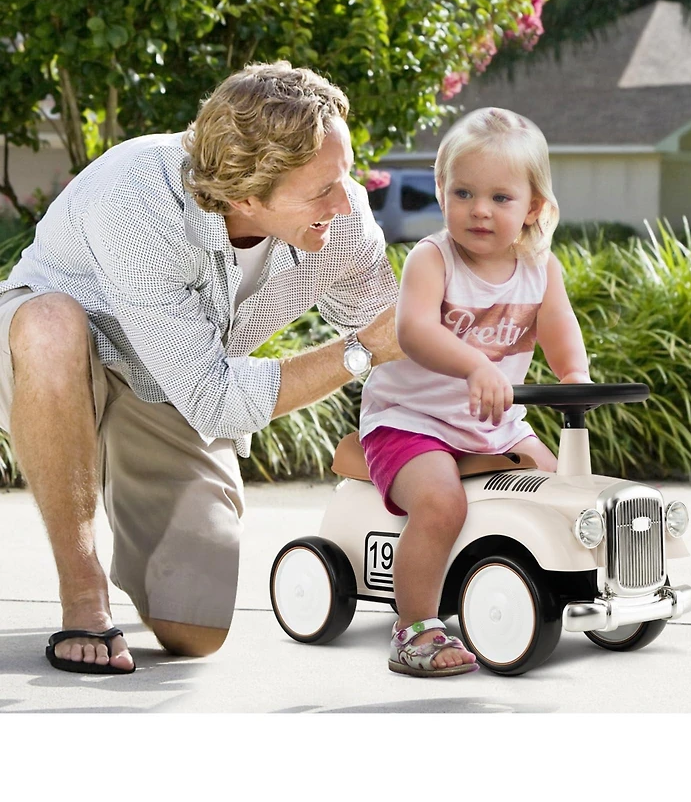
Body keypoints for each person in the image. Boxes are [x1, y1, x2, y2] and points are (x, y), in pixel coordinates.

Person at [0, 61, 400, 675]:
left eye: (343, 175)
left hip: (167, 388)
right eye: (321, 189)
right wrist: (359, 351)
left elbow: (396, 332)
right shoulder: (137, 200)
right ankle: (83, 591)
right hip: (54, 360)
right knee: (52, 325)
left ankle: (130, 500)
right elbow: (218, 399)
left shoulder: (339, 216)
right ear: (244, 195)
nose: (347, 200)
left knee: (195, 630)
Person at [359, 107, 591, 677]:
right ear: (441, 191)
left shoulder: (541, 269)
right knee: (442, 503)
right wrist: (474, 366)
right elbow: (413, 331)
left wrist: (577, 384)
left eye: (500, 198)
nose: (479, 209)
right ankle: (413, 630)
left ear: (533, 206)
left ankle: (571, 589)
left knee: (565, 489)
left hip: (494, 422)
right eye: (463, 192)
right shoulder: (431, 258)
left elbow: (563, 342)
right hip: (410, 419)